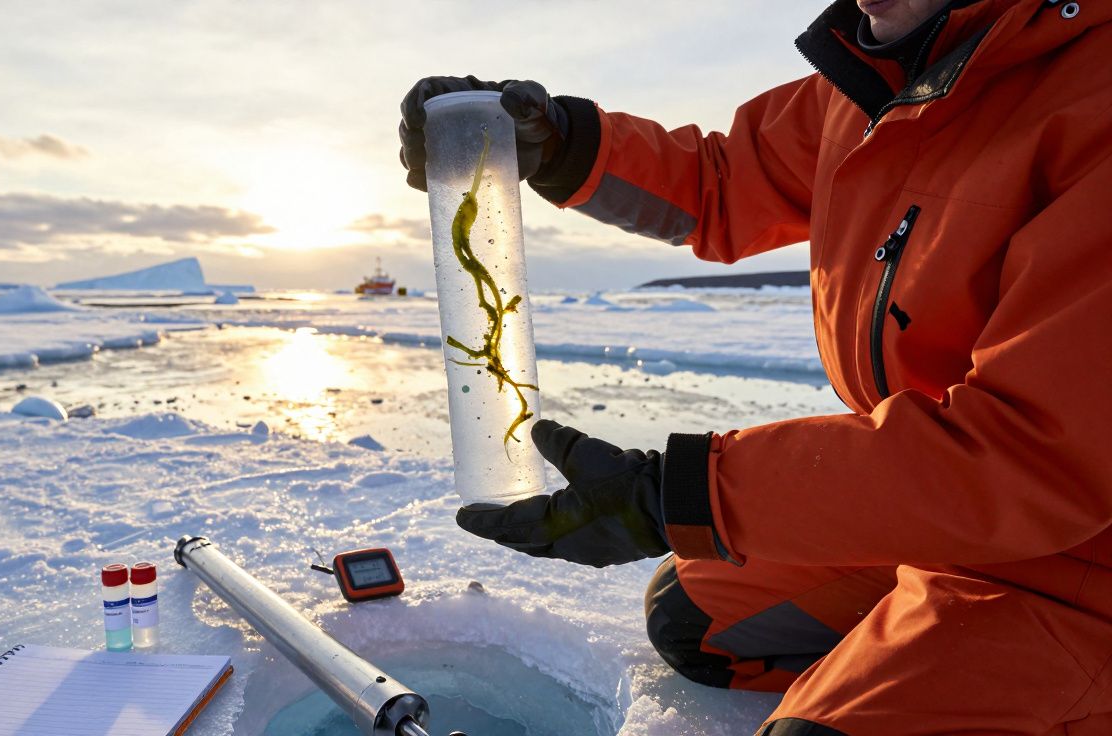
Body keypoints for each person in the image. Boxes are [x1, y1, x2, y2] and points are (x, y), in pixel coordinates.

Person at [399, 0, 1112, 733]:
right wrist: (561, 146)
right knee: (690, 615)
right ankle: (908, 643)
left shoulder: (1091, 94)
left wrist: (678, 493)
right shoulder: (869, 82)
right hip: (935, 506)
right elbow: (720, 181)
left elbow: (1030, 457)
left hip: (1079, 564)